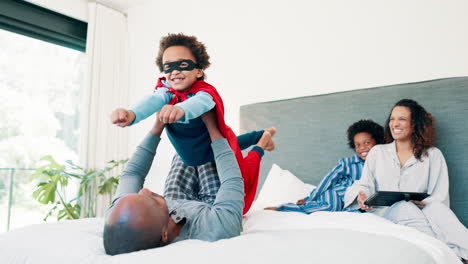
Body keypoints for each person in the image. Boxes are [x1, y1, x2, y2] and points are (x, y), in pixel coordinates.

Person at [110, 33, 269, 213]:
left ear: (198, 71)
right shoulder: (166, 93)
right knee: (173, 202)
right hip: (187, 155)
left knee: (241, 174)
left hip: (214, 152)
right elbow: (152, 101)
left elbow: (201, 103)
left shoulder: (204, 93)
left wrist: (181, 110)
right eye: (168, 67)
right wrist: (131, 114)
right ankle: (260, 135)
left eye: (183, 65)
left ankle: (262, 140)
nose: (175, 71)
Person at [104, 110, 275, 255]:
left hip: (178, 198)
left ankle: (258, 135)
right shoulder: (217, 226)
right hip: (212, 205)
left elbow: (132, 174)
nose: (146, 191)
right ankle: (262, 142)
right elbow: (232, 179)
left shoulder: (121, 212)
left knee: (189, 152)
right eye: (152, 200)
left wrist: (158, 125)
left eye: (138, 194)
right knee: (219, 156)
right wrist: (212, 125)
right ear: (165, 234)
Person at [344, 99, 468, 262]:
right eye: (392, 119)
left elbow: (440, 195)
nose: (395, 123)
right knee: (403, 207)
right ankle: (449, 256)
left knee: (438, 209)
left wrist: (423, 203)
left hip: (424, 210)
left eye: (401, 119)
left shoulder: (433, 154)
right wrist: (362, 195)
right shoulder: (378, 152)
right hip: (386, 212)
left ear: (414, 125)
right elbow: (365, 184)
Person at [264, 119, 384, 213]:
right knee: (330, 206)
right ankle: (283, 208)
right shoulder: (348, 163)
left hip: (353, 202)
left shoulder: (381, 165)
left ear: (377, 142)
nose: (362, 148)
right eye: (357, 145)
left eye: (367, 143)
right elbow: (328, 180)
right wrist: (310, 198)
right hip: (335, 194)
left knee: (357, 211)